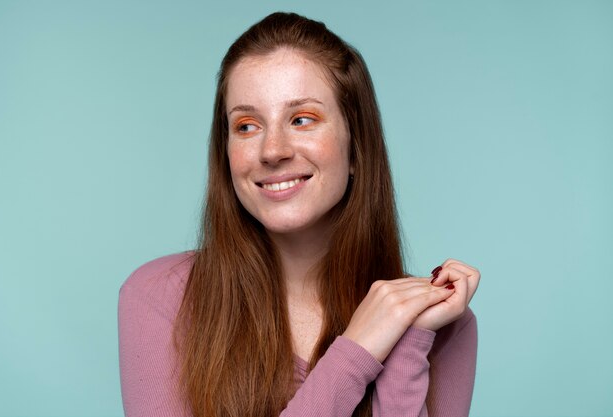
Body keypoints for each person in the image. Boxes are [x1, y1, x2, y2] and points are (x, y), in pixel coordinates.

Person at [118, 11, 480, 417]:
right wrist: (358, 351)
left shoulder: (440, 324)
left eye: (302, 119)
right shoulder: (159, 296)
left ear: (356, 147)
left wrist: (407, 345)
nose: (273, 150)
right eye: (247, 126)